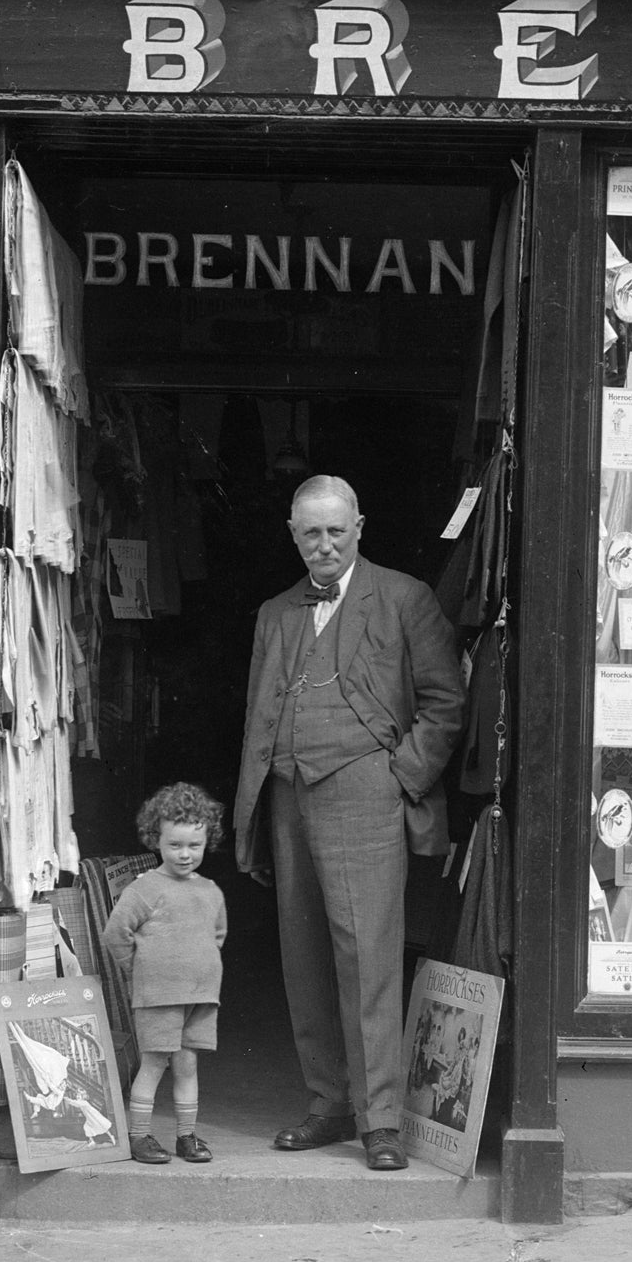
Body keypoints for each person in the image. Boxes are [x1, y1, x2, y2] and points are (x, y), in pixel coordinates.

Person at [233, 475, 466, 1172]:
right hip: (288, 795)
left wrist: (401, 776)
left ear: (360, 526)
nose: (325, 544)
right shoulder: (275, 612)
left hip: (368, 794)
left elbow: (444, 702)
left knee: (367, 957)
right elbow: (256, 717)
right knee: (303, 954)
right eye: (312, 532)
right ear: (293, 533)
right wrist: (250, 807)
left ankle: (382, 1118)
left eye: (337, 530)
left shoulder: (403, 598)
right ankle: (328, 1102)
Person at [103, 783, 228, 1165]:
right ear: (156, 839)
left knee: (188, 1063)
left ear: (208, 840)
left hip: (201, 995)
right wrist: (139, 970)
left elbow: (216, 935)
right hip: (158, 994)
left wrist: (199, 967)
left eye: (194, 845)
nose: (185, 854)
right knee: (155, 1061)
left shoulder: (211, 891)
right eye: (175, 845)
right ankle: (139, 1135)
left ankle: (186, 1136)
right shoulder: (145, 889)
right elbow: (115, 934)